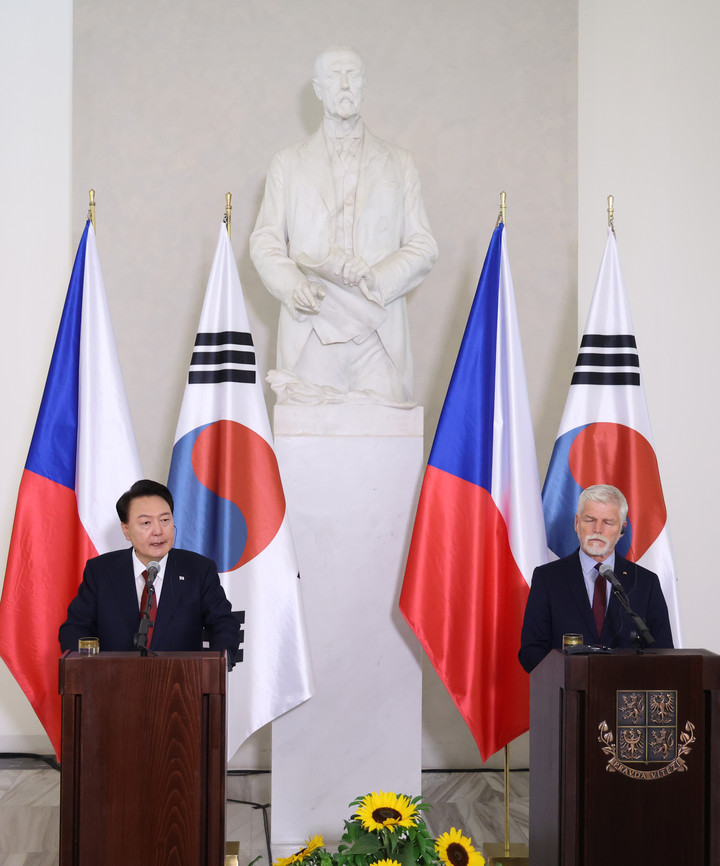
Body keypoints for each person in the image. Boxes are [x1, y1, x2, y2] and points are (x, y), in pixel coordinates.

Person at [250, 45, 438, 406]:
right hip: (312, 330)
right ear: (318, 88)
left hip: (378, 333)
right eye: (335, 75)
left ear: (365, 86)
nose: (345, 84)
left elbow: (423, 244)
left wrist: (376, 277)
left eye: (353, 75)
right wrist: (294, 285)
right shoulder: (287, 163)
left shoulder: (399, 163)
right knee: (308, 450)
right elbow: (265, 241)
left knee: (385, 449)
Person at [59, 479, 240, 666]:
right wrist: (86, 670)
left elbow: (225, 625)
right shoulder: (101, 571)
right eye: (146, 522)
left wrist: (213, 670)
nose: (158, 531)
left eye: (165, 520)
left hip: (182, 686)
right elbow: (74, 629)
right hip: (113, 685)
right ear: (126, 530)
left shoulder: (198, 570)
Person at [519, 484, 674, 673]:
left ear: (622, 529)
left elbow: (664, 652)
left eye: (608, 522)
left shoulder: (645, 582)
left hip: (627, 698)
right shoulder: (547, 578)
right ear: (577, 523)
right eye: (590, 520)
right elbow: (531, 651)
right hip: (566, 695)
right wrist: (571, 677)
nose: (598, 529)